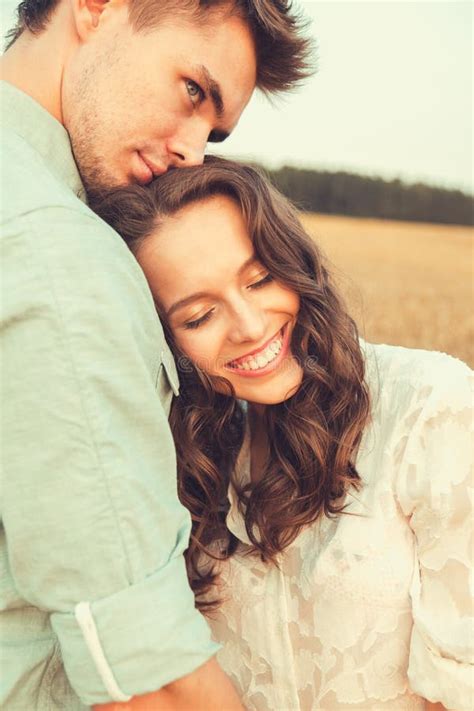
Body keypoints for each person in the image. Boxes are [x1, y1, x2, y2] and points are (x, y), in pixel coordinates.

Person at [0, 1, 313, 709]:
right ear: (97, 7)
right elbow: (149, 679)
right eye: (193, 90)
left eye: (214, 129)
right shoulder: (58, 250)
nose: (193, 152)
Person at [94, 156, 473, 711]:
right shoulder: (175, 454)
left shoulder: (432, 407)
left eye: (261, 277)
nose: (250, 327)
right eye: (199, 317)